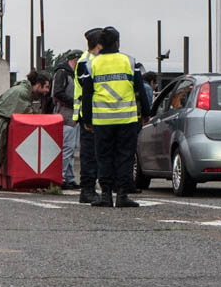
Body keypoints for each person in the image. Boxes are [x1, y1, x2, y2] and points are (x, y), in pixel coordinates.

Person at [79, 26, 150, 208]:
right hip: (126, 120)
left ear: (100, 44)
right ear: (117, 43)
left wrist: (87, 119)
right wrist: (146, 113)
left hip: (102, 120)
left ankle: (106, 195)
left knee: (103, 157)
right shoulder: (129, 61)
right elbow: (141, 90)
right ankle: (123, 194)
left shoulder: (91, 64)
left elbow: (87, 94)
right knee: (125, 157)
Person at [0, 70, 49, 191]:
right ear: (38, 85)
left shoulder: (21, 89)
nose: (47, 91)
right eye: (46, 87)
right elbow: (26, 112)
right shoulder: (23, 93)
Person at [72, 27, 105, 204]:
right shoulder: (87, 62)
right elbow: (88, 89)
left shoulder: (92, 60)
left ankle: (90, 189)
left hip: (96, 115)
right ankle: (87, 190)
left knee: (95, 154)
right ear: (99, 45)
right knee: (90, 156)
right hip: (88, 116)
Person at [51, 53, 79, 189]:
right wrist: (76, 103)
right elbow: (57, 93)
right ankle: (62, 177)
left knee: (71, 148)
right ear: (75, 60)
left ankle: (69, 177)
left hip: (71, 116)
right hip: (65, 115)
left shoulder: (69, 74)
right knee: (67, 148)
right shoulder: (63, 73)